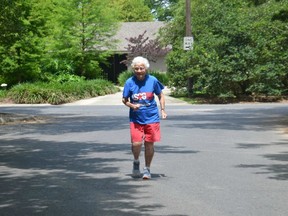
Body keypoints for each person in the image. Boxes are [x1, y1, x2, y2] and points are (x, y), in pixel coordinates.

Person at [122, 56, 167, 180]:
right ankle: (136, 161)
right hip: (136, 118)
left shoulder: (153, 80)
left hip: (151, 117)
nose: (139, 71)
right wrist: (131, 105)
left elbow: (160, 95)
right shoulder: (129, 82)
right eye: (136, 69)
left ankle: (147, 169)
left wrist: (162, 110)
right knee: (136, 143)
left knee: (149, 144)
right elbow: (124, 100)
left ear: (146, 69)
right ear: (133, 69)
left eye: (141, 68)